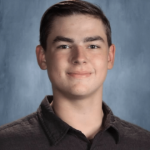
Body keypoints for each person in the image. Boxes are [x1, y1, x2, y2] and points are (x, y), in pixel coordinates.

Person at [0, 0, 150, 149]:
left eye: (92, 46)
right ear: (42, 57)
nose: (79, 58)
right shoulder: (5, 143)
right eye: (64, 46)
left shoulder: (144, 143)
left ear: (110, 57)